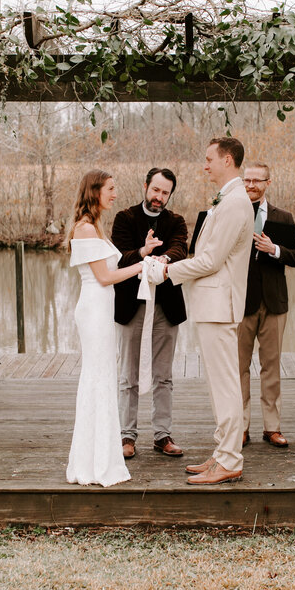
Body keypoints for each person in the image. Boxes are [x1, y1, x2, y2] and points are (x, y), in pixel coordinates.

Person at [162, 137, 254, 485]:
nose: (205, 165)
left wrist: (169, 271)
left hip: (220, 305)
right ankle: (221, 453)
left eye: (209, 159)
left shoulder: (233, 203)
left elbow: (212, 260)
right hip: (213, 304)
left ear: (227, 160)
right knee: (218, 385)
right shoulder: (227, 199)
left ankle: (230, 459)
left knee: (226, 384)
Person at [65, 169, 144, 487]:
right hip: (94, 310)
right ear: (94, 191)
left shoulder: (95, 226)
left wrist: (143, 256)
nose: (115, 194)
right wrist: (141, 268)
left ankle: (101, 456)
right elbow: (104, 277)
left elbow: (111, 268)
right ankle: (92, 463)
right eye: (110, 189)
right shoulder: (84, 229)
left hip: (101, 308)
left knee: (103, 379)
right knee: (97, 379)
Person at [111, 168, 188, 459]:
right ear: (145, 186)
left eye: (165, 192)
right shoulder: (125, 218)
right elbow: (119, 257)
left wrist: (164, 257)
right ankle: (126, 436)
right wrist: (143, 252)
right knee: (128, 374)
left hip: (166, 307)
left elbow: (181, 248)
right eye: (155, 190)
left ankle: (162, 435)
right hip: (131, 305)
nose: (159, 197)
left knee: (163, 376)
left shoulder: (176, 221)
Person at [237, 162, 295, 448]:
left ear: (268, 182)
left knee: (271, 367)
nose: (251, 185)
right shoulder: (232, 212)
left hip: (275, 303)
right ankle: (240, 427)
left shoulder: (283, 217)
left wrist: (274, 249)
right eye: (247, 180)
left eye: (257, 180)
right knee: (238, 368)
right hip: (240, 303)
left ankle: (272, 427)